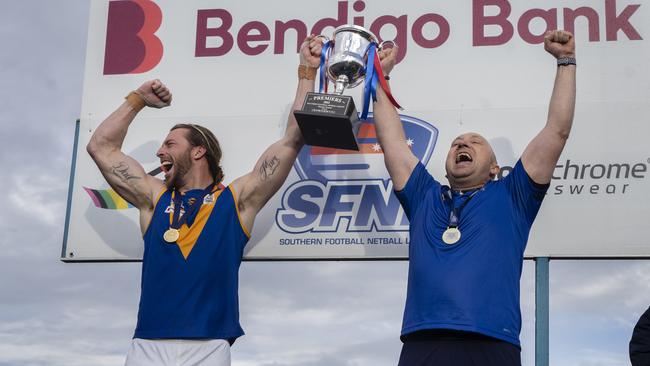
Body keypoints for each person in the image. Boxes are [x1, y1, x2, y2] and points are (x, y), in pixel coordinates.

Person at [86, 35, 323, 366]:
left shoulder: (237, 200)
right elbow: (101, 147)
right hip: (147, 346)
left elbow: (295, 137)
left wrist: (307, 71)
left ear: (199, 151)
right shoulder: (154, 199)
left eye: (170, 144)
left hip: (209, 347)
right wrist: (138, 99)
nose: (159, 152)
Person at [373, 30, 577, 365]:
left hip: (492, 343)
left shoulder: (514, 196)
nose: (462, 144)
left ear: (495, 168)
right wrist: (382, 76)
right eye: (456, 142)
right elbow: (392, 140)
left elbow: (557, 130)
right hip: (424, 342)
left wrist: (566, 62)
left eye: (474, 142)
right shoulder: (424, 196)